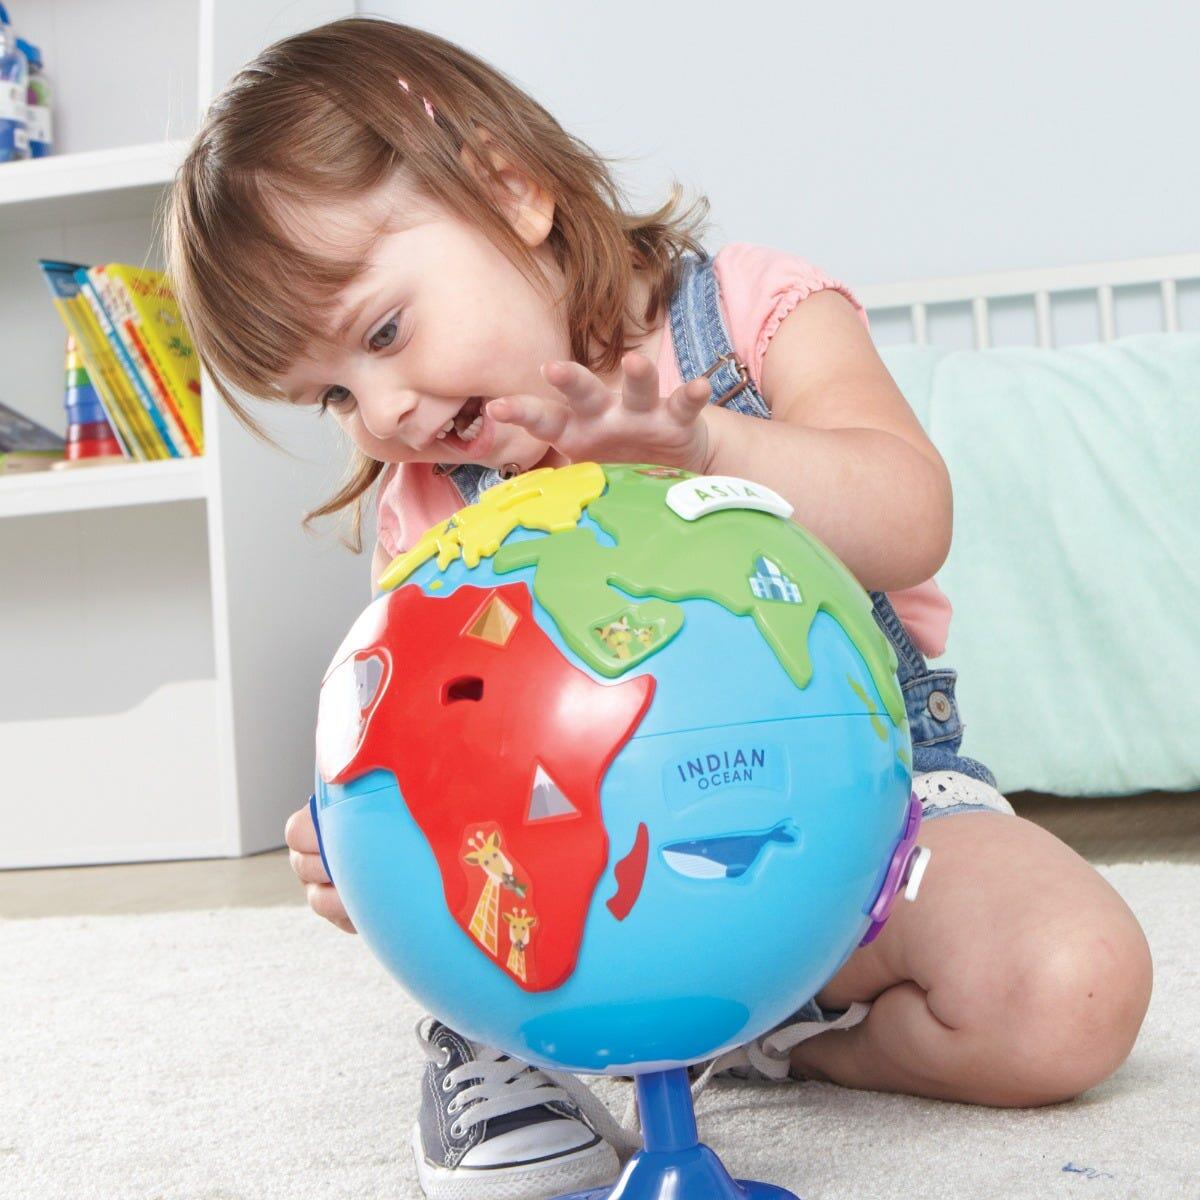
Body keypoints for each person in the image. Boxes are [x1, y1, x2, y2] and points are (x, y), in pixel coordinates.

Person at [166, 17, 1153, 1200]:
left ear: (512, 190)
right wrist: (360, 843)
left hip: (867, 827)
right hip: (600, 893)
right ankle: (517, 1038)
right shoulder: (425, 504)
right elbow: (438, 745)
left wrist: (709, 447)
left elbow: (911, 517)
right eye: (332, 394)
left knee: (1073, 987)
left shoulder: (747, 313)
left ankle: (790, 1047)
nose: (383, 413)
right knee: (468, 911)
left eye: (383, 332)